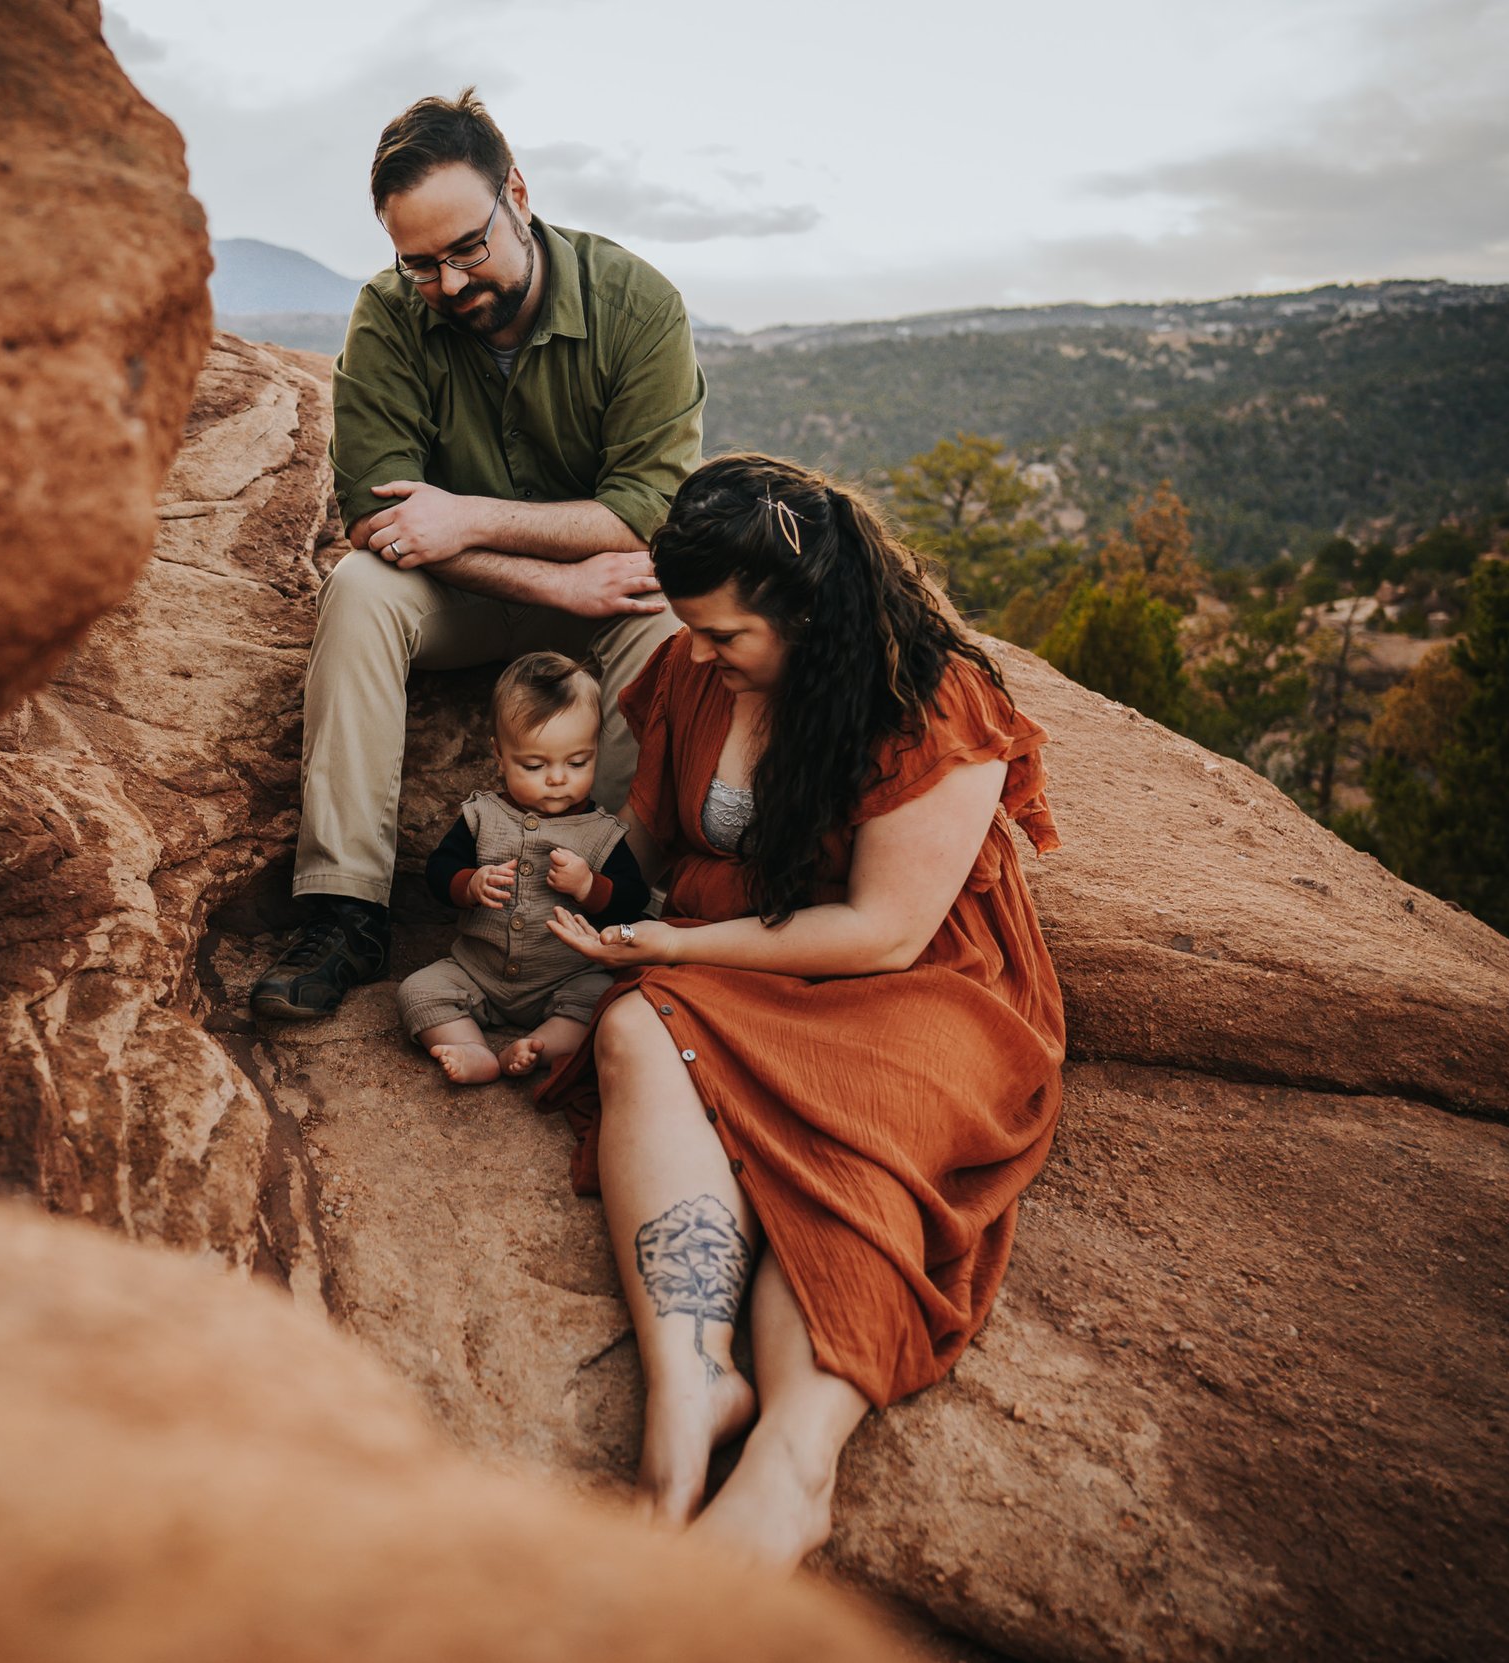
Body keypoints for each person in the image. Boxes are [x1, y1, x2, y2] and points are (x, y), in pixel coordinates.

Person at [533, 453, 1067, 1568]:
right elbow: (651, 843)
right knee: (640, 1024)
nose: (702, 653)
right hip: (746, 950)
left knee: (859, 1156)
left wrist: (676, 941)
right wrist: (582, 901)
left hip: (910, 985)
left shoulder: (932, 702)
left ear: (811, 612)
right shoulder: (693, 667)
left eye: (727, 635)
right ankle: (691, 1389)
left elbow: (883, 931)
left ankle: (792, 1462)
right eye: (694, 630)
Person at [248, 87, 703, 1021]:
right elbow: (380, 521)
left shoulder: (639, 306)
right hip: (455, 593)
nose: (450, 284)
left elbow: (645, 509)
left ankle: (615, 910)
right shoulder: (386, 318)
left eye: (468, 248)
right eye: (421, 264)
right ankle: (344, 913)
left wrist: (468, 518)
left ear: (519, 195)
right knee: (362, 587)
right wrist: (548, 576)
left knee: (661, 617)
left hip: (583, 590)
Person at [400, 652, 653, 1085]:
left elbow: (633, 899)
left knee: (604, 1000)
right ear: (500, 756)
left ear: (596, 750)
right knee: (417, 991)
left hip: (567, 977)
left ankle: (539, 1047)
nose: (558, 778)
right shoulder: (481, 815)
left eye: (578, 762)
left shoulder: (601, 832)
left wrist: (590, 887)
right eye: (534, 766)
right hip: (476, 970)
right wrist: (470, 883)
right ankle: (471, 1048)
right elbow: (440, 869)